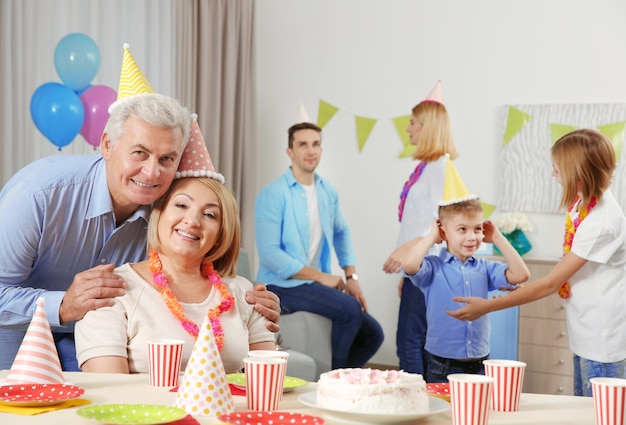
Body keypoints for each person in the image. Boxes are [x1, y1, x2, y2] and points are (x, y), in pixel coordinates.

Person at [0, 93, 280, 371]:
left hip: (100, 342)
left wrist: (255, 304)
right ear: (107, 145)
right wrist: (63, 305)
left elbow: (205, 266)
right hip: (15, 331)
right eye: (140, 153)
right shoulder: (37, 195)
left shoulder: (168, 209)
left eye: (166, 159)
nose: (151, 172)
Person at [75, 136, 276, 373]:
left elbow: (267, 382)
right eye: (181, 205)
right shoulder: (111, 291)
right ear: (158, 214)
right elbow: (110, 394)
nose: (192, 221)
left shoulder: (244, 294)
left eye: (210, 215)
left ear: (221, 233)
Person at [449, 129, 626, 396]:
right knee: (583, 410)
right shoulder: (583, 204)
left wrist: (488, 306)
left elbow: (550, 284)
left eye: (558, 169)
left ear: (578, 173)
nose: (554, 174)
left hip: (602, 338)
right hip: (585, 327)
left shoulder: (601, 222)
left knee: (596, 413)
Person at [254, 111, 384, 370]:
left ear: (321, 149)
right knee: (348, 309)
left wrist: (352, 277)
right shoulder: (273, 194)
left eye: (315, 144)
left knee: (374, 333)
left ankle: (340, 377)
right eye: (302, 144)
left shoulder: (327, 192)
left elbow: (341, 232)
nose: (310, 150)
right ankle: (335, 380)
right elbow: (269, 254)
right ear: (290, 152)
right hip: (280, 285)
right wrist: (319, 276)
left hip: (311, 285)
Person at [402, 174, 529, 382]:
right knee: (444, 414)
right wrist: (432, 236)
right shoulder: (433, 267)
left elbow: (521, 274)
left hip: (480, 364)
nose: (472, 237)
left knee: (476, 413)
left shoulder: (485, 268)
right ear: (444, 233)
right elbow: (408, 265)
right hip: (442, 366)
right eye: (462, 229)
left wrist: (497, 237)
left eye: (477, 229)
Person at [382, 80, 459, 375]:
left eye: (413, 123)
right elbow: (420, 221)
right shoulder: (427, 168)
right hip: (419, 269)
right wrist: (406, 270)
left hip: (428, 268)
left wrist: (405, 251)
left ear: (428, 127)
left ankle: (417, 403)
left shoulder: (442, 168)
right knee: (415, 341)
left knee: (410, 343)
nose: (408, 128)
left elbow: (443, 224)